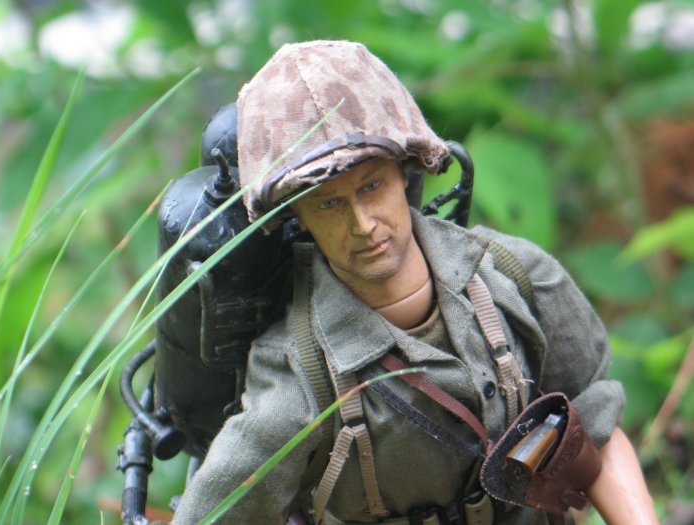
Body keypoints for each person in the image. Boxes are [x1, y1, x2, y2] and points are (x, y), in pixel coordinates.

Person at [171, 40, 658, 525]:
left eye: (372, 186)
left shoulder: (514, 275)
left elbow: (594, 420)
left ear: (406, 170)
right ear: (296, 215)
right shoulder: (300, 375)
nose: (363, 224)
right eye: (328, 204)